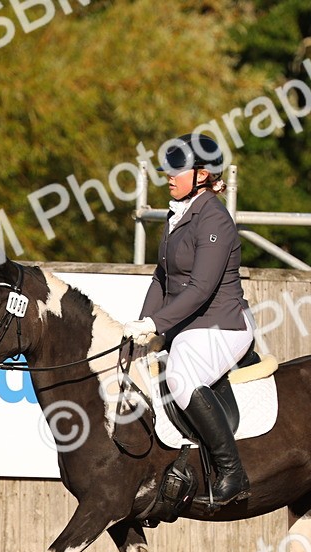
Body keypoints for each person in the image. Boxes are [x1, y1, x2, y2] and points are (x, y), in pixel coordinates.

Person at [122, 133, 254, 507]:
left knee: (179, 376)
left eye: (178, 169)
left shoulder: (215, 218)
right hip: (189, 324)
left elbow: (199, 289)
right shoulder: (177, 214)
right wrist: (142, 324)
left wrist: (155, 326)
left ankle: (232, 473)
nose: (169, 175)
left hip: (223, 324)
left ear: (202, 174)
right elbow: (161, 279)